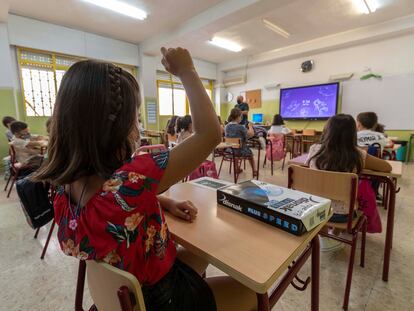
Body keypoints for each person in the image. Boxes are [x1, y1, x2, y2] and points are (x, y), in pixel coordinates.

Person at [33, 48, 256, 311]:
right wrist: (187, 70)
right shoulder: (132, 178)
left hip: (120, 295)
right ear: (114, 127)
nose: (138, 126)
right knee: (252, 292)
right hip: (161, 300)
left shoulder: (62, 186)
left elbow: (109, 205)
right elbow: (209, 134)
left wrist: (160, 200)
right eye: (136, 117)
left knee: (202, 250)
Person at [306, 114, 391, 248]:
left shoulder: (314, 150)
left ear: (327, 130)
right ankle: (334, 234)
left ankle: (323, 236)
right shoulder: (357, 154)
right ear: (353, 133)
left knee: (324, 196)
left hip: (315, 211)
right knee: (345, 201)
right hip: (343, 216)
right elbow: (387, 167)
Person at [225, 108, 257, 177]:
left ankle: (237, 168)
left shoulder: (226, 126)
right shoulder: (240, 127)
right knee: (250, 154)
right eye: (241, 116)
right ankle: (254, 171)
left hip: (229, 150)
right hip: (239, 151)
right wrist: (250, 126)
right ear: (238, 116)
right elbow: (251, 134)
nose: (241, 118)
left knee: (236, 149)